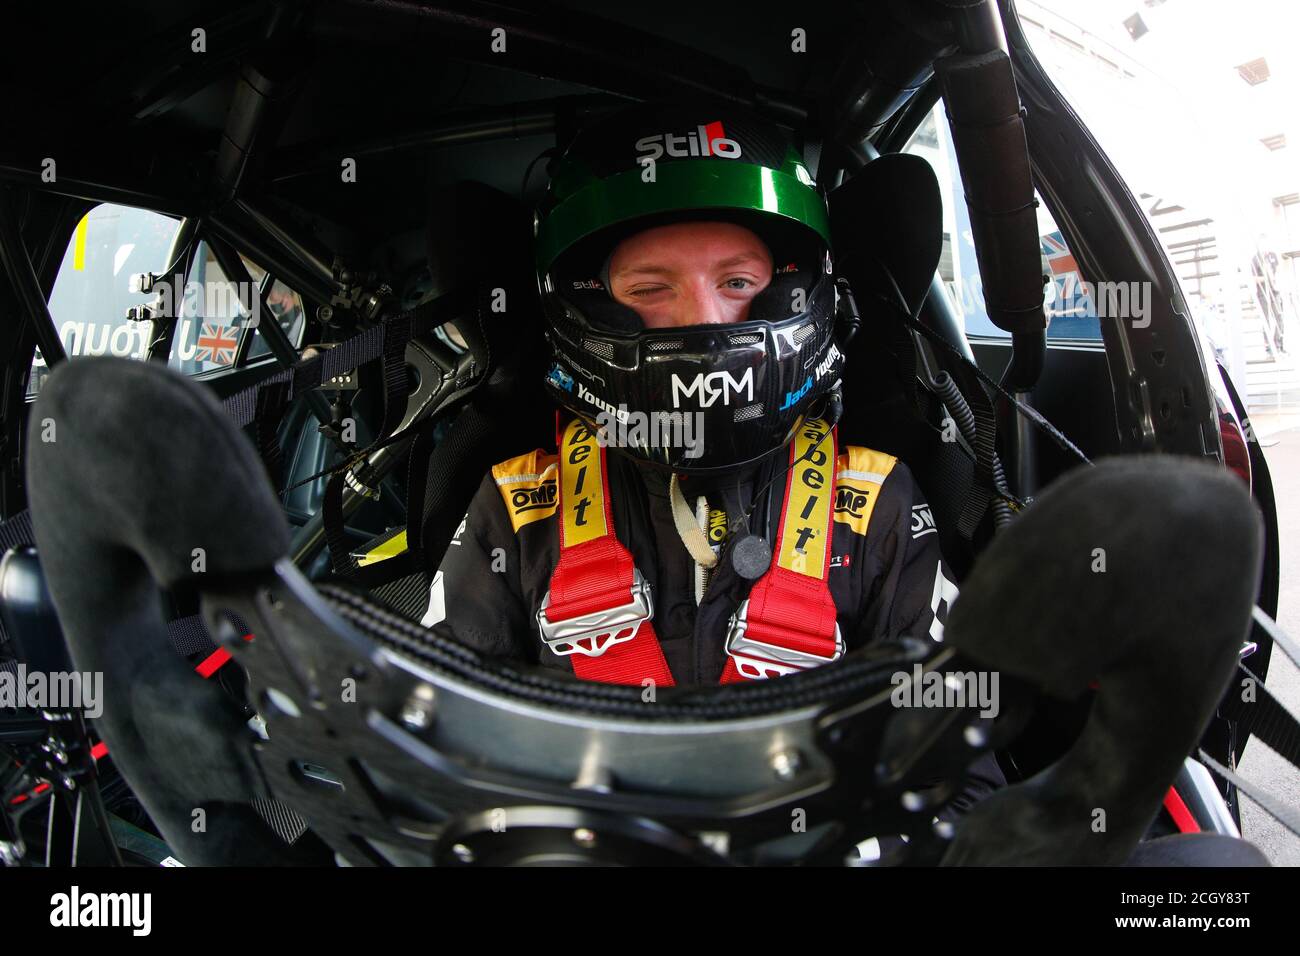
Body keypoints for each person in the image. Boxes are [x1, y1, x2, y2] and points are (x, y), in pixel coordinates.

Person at [420, 102, 970, 692]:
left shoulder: (875, 501)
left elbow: (949, 756)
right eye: (651, 288)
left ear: (793, 291)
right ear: (586, 308)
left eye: (738, 283)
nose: (703, 325)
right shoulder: (517, 507)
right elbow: (430, 742)